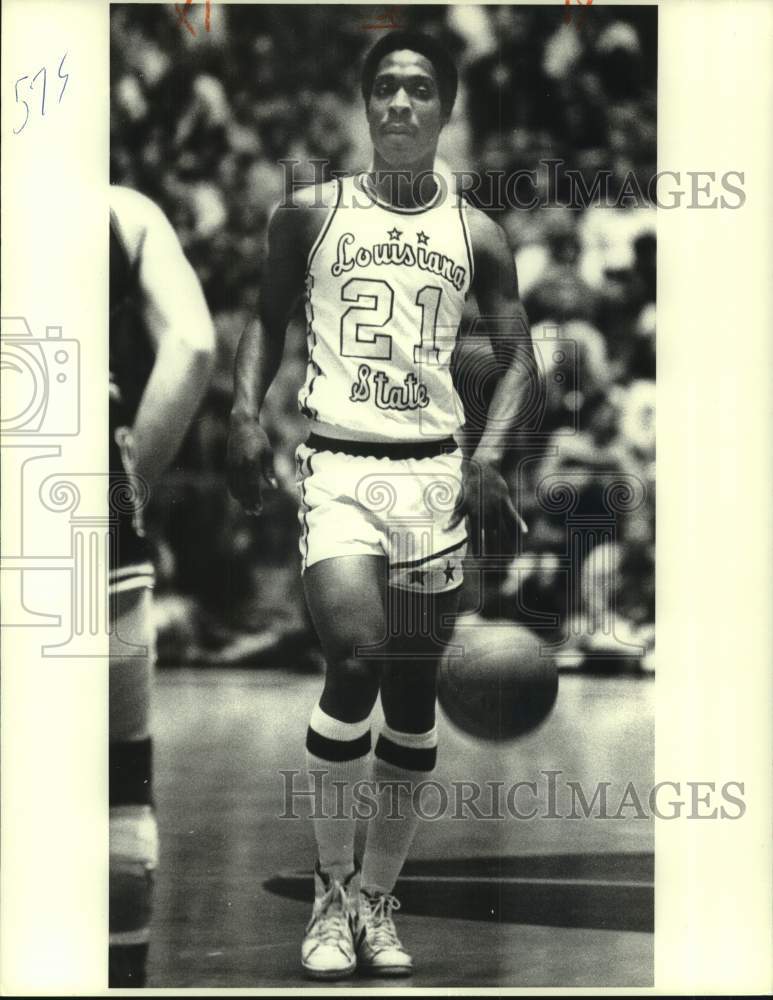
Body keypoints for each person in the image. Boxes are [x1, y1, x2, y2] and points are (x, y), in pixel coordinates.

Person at [227, 30, 537, 980]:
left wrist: (487, 458)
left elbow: (519, 356)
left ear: (444, 109)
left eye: (420, 90)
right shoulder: (306, 214)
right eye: (386, 89)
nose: (401, 104)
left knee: (409, 691)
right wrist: (244, 409)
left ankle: (373, 903)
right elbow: (265, 320)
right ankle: (328, 894)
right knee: (357, 653)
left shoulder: (477, 232)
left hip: (435, 475)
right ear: (365, 107)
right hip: (338, 469)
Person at [109, 184, 215, 986]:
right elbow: (194, 343)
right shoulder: (120, 210)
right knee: (117, 795)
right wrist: (127, 484)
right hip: (80, 488)